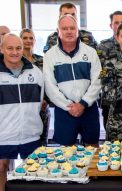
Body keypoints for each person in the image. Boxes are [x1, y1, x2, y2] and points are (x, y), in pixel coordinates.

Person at [0, 33, 43, 191]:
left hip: (31, 132)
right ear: (1, 48)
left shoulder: (36, 73)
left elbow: (39, 101)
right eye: (10, 48)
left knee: (33, 168)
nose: (15, 52)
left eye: (18, 48)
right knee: (0, 167)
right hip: (2, 133)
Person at [43, 14, 101, 146]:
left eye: (72, 28)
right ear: (58, 31)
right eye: (64, 28)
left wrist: (83, 104)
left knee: (93, 149)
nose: (69, 31)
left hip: (88, 108)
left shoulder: (91, 52)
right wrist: (68, 106)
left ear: (77, 30)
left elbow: (97, 81)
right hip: (64, 111)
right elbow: (50, 86)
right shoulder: (49, 56)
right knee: (65, 154)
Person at [97, 10, 122, 131]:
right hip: (110, 102)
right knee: (112, 141)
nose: (119, 25)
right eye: (116, 22)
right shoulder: (103, 47)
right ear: (111, 25)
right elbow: (99, 71)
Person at [20, 28, 51, 146]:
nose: (28, 41)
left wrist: (47, 100)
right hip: (24, 110)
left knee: (42, 146)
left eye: (31, 38)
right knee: (26, 146)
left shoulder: (42, 61)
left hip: (42, 109)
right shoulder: (17, 61)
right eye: (25, 38)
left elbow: (49, 82)